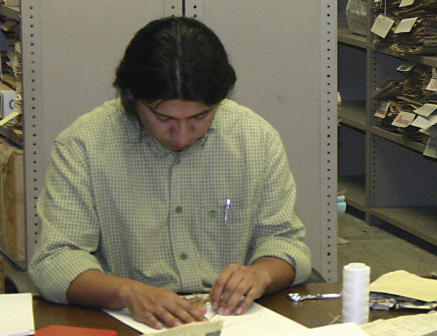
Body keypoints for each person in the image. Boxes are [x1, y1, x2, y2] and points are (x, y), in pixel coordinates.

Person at [28, 17, 311, 329]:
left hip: (229, 322)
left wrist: (261, 273)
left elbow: (284, 242)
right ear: (131, 96)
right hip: (126, 321)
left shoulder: (255, 138)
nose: (182, 136)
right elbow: (55, 260)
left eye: (201, 117)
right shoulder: (85, 144)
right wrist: (128, 292)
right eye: (163, 118)